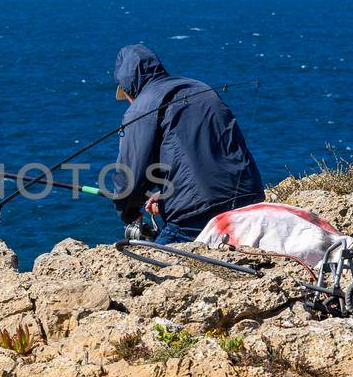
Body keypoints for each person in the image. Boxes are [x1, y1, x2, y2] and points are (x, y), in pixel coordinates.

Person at [109, 43, 264, 244]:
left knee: (151, 268)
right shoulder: (199, 88)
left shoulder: (140, 108)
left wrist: (129, 213)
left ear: (129, 88)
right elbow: (204, 157)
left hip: (197, 217)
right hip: (250, 198)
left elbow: (129, 178)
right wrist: (166, 197)